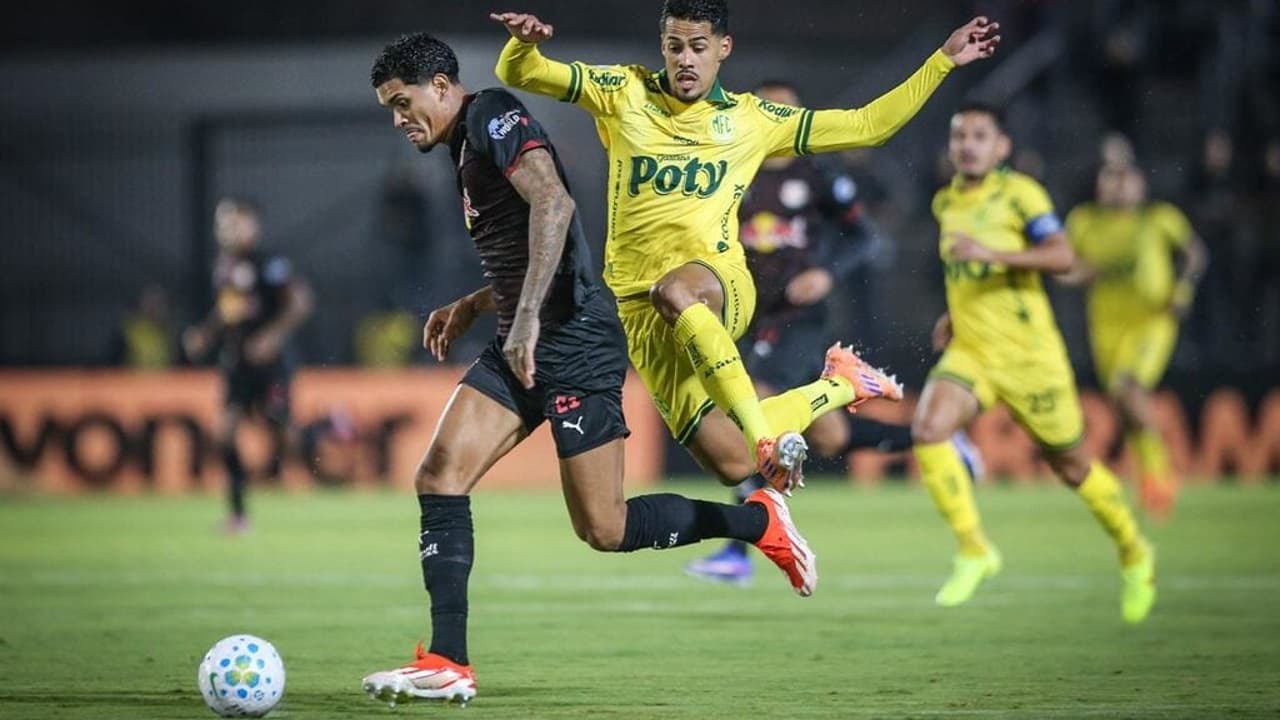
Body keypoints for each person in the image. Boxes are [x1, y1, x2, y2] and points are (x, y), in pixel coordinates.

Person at [358, 32, 819, 707]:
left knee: (605, 529)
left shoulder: (492, 115)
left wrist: (523, 323)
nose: (399, 119)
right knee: (440, 475)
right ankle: (448, 660)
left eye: (403, 103)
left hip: (571, 339)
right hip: (527, 336)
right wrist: (479, 304)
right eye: (390, 109)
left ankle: (758, 524)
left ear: (439, 85)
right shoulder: (464, 145)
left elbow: (554, 204)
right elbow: (534, 245)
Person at [490, 2, 1001, 495]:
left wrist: (941, 62)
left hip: (717, 283)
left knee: (680, 296)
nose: (685, 59)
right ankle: (841, 385)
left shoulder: (753, 119)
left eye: (697, 46)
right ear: (662, 48)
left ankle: (764, 438)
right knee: (732, 463)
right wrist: (522, 44)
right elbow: (522, 73)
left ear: (723, 48)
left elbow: (869, 125)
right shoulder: (624, 90)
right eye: (674, 47)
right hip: (639, 309)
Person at [685, 79, 984, 585]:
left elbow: (864, 236)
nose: (784, 123)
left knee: (750, 407)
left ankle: (740, 551)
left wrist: (826, 273)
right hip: (751, 315)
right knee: (830, 436)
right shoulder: (731, 169)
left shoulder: (818, 173)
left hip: (801, 319)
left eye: (792, 113)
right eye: (773, 111)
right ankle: (935, 438)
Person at [912, 103, 1156, 624]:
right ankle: (975, 549)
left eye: (980, 136)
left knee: (1072, 467)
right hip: (974, 350)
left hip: (1029, 359)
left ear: (1002, 147)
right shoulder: (946, 202)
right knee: (929, 427)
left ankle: (1135, 551)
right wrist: (954, 312)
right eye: (960, 136)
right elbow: (967, 268)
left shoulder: (1022, 194)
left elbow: (1062, 256)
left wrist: (992, 254)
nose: (968, 145)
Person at [1062, 163, 1207, 520]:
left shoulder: (1159, 219)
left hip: (1151, 321)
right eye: (1111, 179)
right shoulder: (1084, 222)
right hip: (1106, 326)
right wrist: (1084, 274)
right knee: (1124, 406)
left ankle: (1162, 473)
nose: (1119, 187)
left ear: (1141, 184)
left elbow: (1195, 254)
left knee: (1130, 387)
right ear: (1099, 186)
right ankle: (1149, 480)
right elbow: (1062, 268)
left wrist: (1183, 290)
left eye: (1126, 179)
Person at [183, 197, 313, 534]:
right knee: (224, 432)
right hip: (237, 363)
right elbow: (230, 310)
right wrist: (205, 335)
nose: (226, 230)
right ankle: (239, 514)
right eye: (222, 224)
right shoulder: (225, 267)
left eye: (234, 223)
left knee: (279, 427)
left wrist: (272, 337)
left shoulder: (269, 263)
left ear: (251, 225)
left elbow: (300, 303)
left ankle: (317, 449)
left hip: (271, 365)